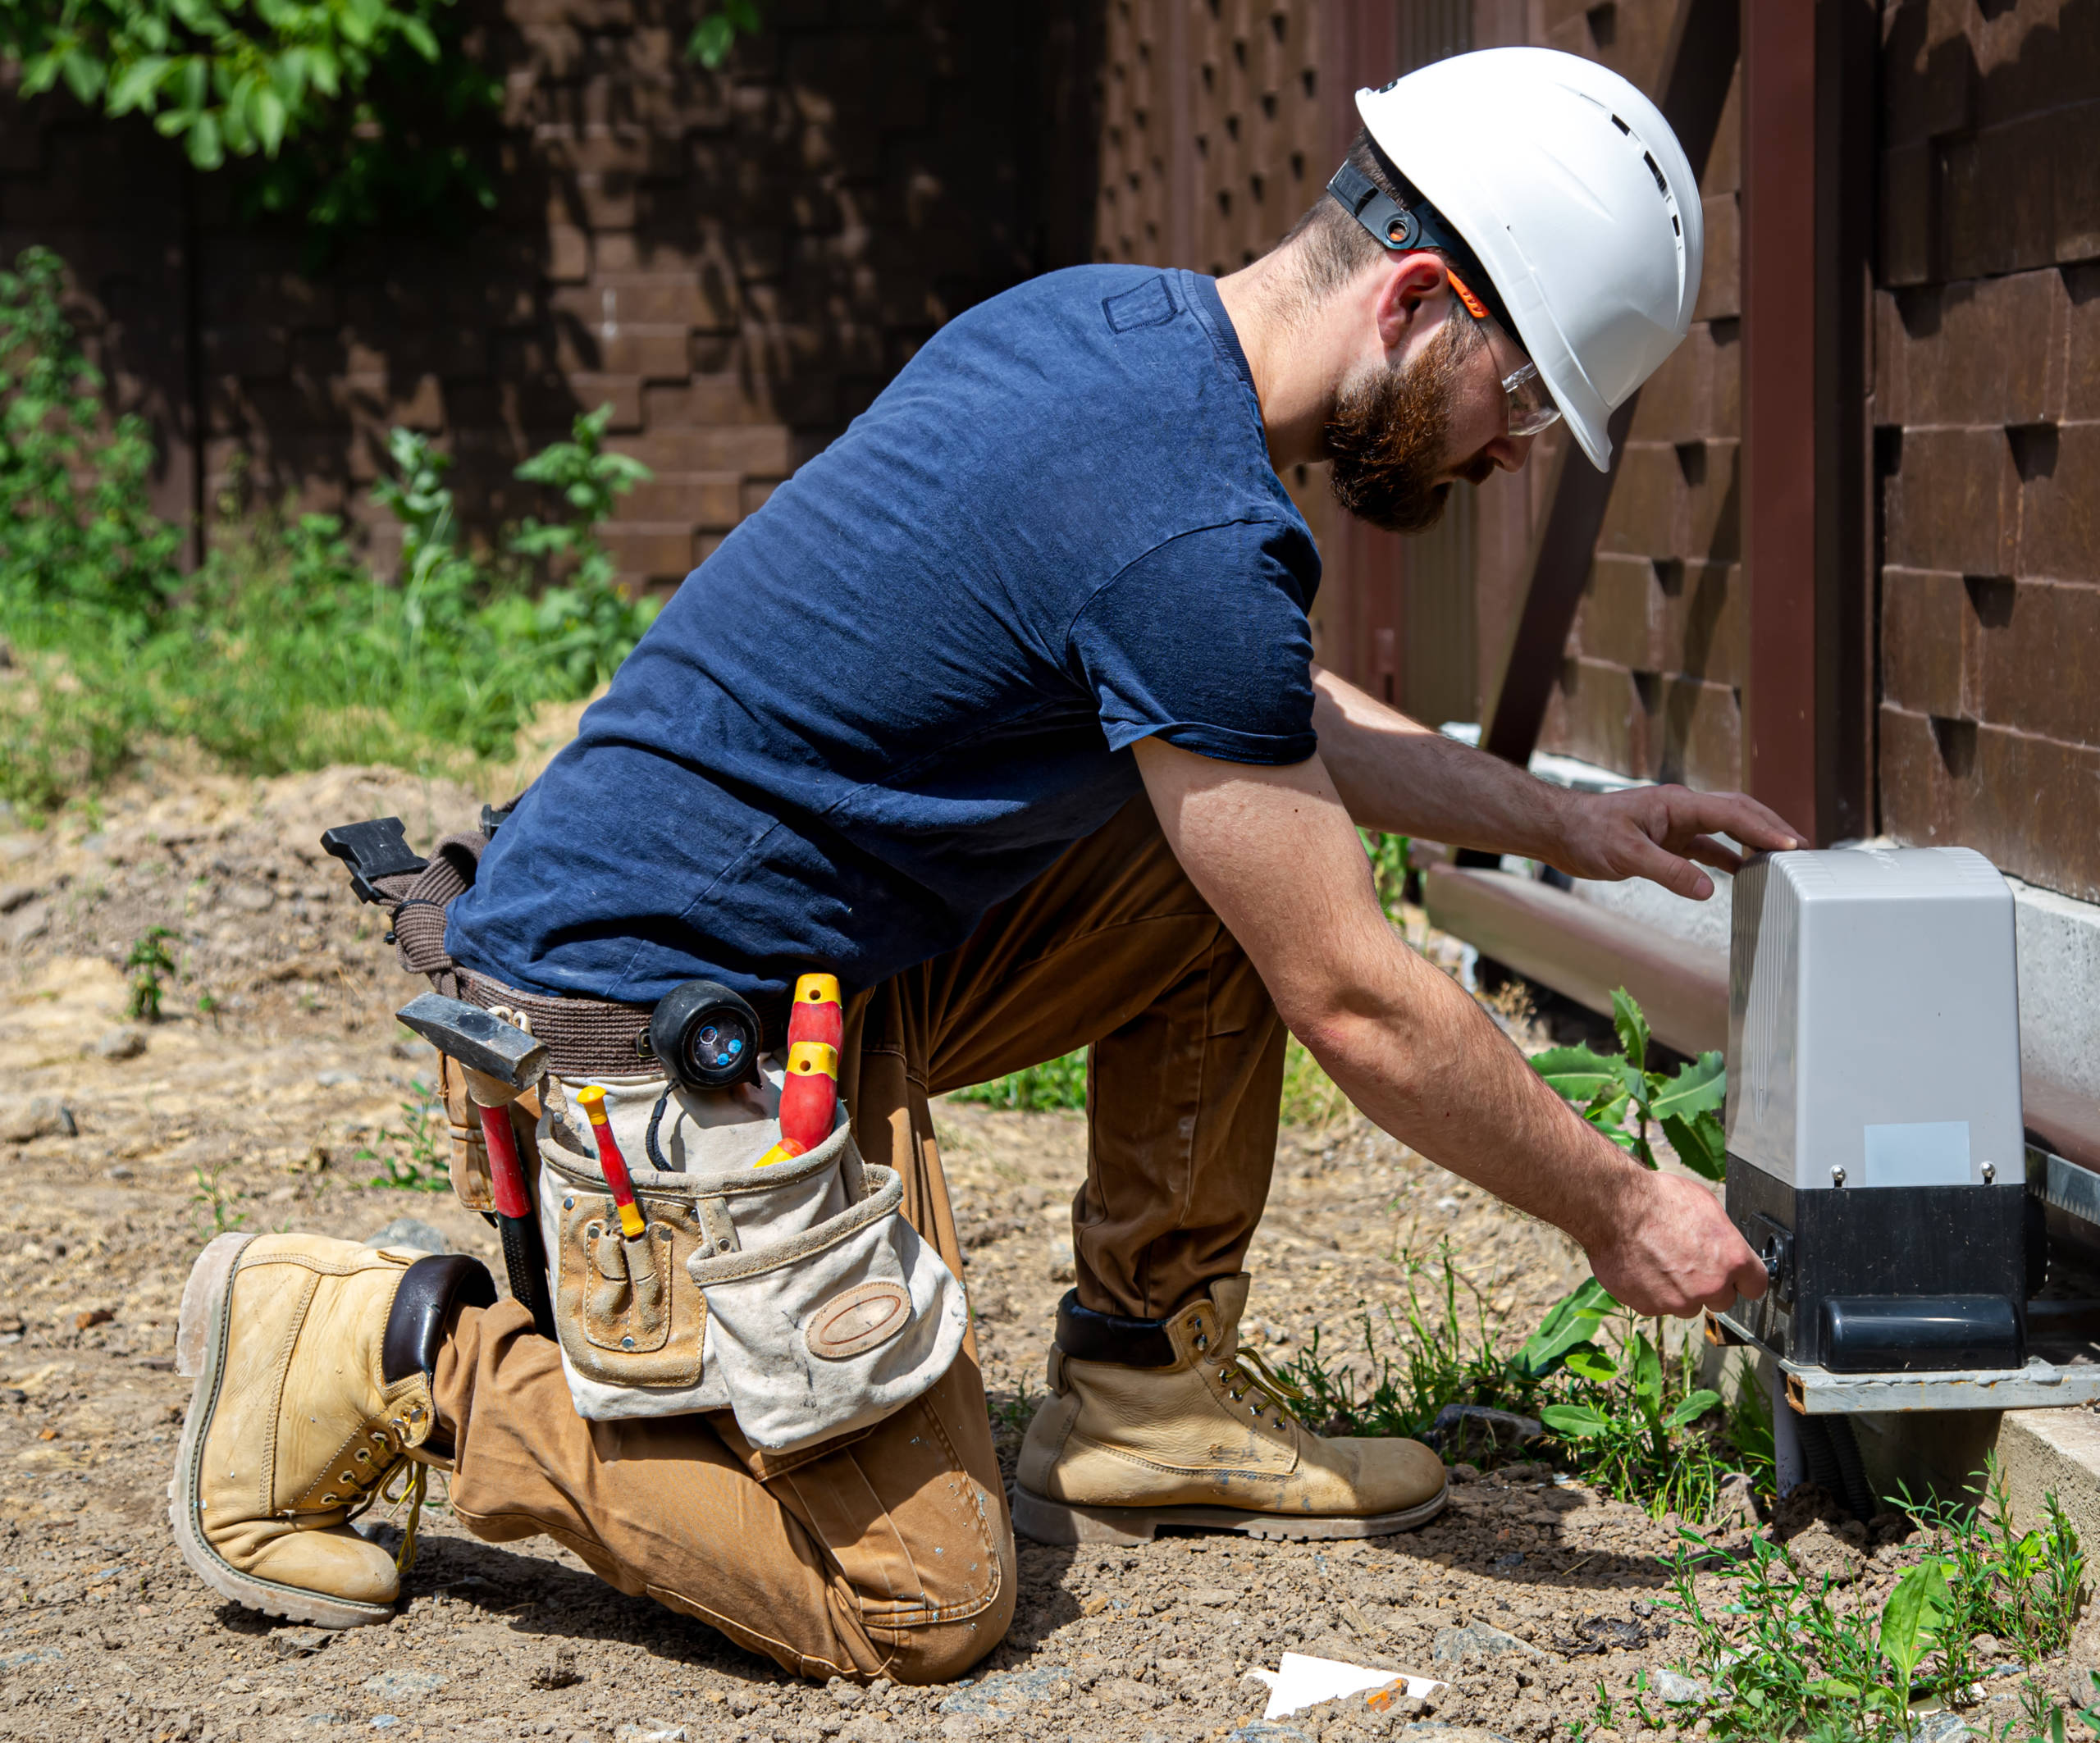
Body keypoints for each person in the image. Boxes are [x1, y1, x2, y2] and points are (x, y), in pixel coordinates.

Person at [168, 46, 1783, 1684]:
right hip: (637, 1033)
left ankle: (1144, 1391)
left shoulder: (1112, 331)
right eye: (1518, 396)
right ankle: (388, 1347)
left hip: (780, 959)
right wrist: (1618, 1206)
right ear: (1421, 297)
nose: (1511, 452)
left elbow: (1259, 721)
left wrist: (1563, 819)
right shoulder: (1185, 522)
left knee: (1232, 853)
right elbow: (1357, 1003)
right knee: (916, 1600)